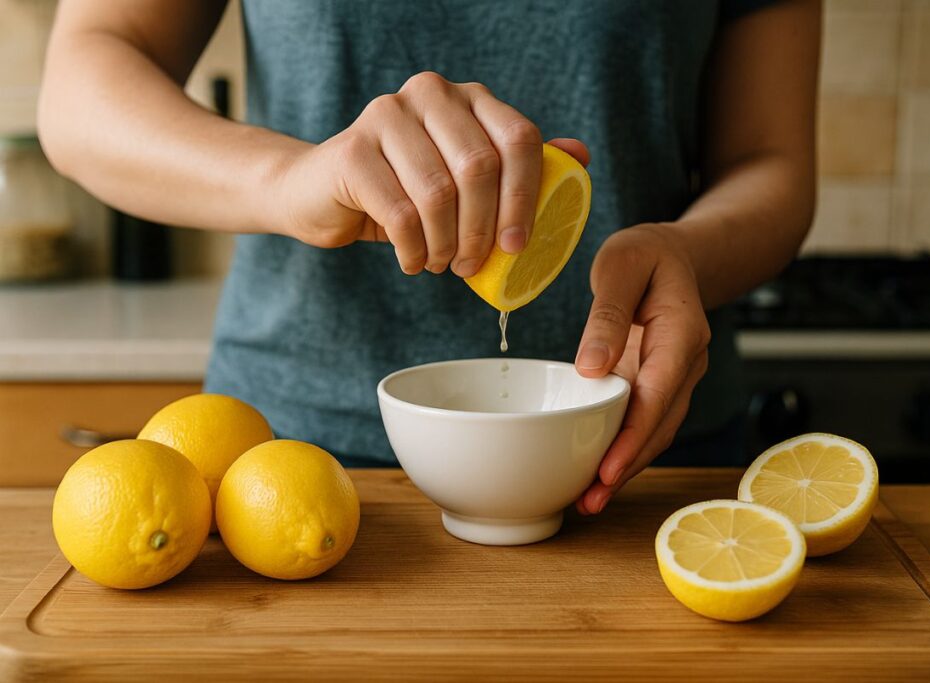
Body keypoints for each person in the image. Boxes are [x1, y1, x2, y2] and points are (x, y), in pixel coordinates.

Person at [37, 0, 820, 516]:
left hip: (643, 447)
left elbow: (771, 160)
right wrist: (288, 178)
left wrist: (685, 252)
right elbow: (82, 83)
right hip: (286, 461)